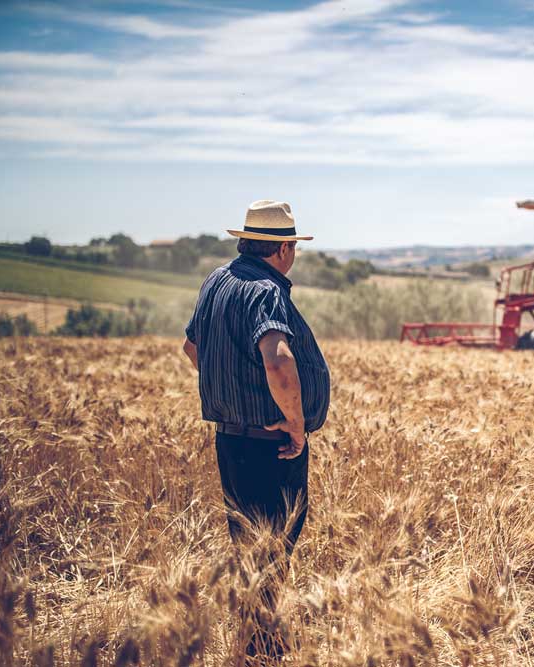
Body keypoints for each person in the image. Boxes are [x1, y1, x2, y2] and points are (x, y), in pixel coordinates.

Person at [182, 199, 330, 659]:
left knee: (249, 546)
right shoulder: (267, 290)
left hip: (230, 438)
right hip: (273, 445)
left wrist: (234, 393)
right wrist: (295, 422)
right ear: (283, 249)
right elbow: (279, 359)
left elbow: (191, 348)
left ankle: (259, 638)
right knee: (271, 548)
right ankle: (263, 648)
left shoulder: (217, 282)